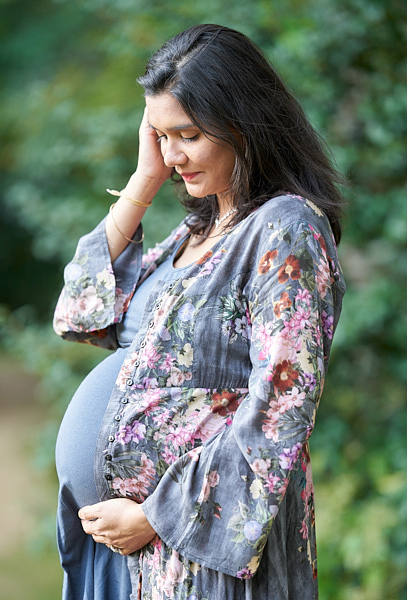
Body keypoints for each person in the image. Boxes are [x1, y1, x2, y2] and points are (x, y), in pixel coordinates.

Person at [53, 23, 346, 600]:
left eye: (186, 135)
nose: (171, 154)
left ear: (244, 125)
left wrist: (159, 516)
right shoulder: (200, 229)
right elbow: (80, 315)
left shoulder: (285, 228)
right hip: (126, 551)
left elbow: (281, 408)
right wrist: (144, 179)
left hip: (200, 549)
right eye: (159, 135)